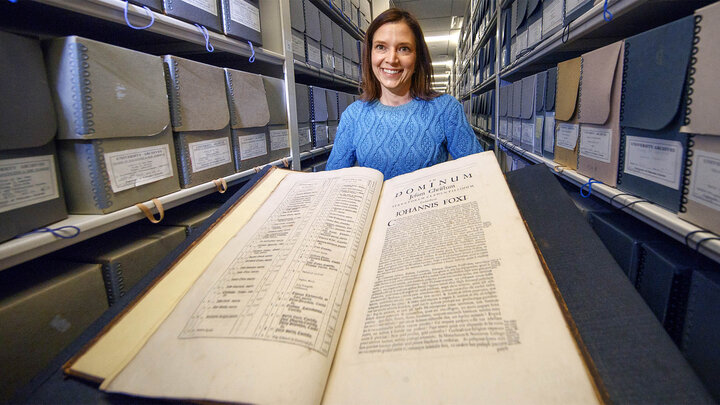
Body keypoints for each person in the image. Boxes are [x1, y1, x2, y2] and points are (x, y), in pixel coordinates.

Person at [325, 8, 482, 179]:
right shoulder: (354, 115)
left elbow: (480, 174)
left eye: (404, 49)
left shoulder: (446, 109)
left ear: (417, 57)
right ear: (369, 55)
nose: (392, 59)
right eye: (380, 47)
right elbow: (332, 182)